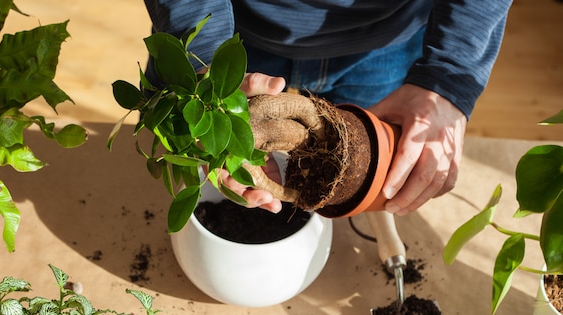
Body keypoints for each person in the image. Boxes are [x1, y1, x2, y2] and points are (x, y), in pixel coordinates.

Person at [143, 1, 513, 216]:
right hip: (233, 38)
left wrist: (449, 76)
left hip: (385, 44)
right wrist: (204, 60)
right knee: (208, 160)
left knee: (373, 172)